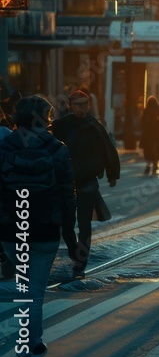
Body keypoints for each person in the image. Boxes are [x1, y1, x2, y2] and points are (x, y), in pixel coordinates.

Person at [0, 96, 76, 357]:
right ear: (45, 119)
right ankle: (29, 346)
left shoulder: (4, 148)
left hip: (12, 230)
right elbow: (68, 196)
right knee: (35, 292)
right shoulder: (57, 150)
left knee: (23, 288)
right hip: (45, 230)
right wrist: (72, 237)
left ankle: (27, 347)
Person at [50, 89, 120, 277]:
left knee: (84, 223)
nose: (81, 108)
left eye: (84, 105)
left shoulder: (93, 125)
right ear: (71, 106)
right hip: (65, 182)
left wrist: (112, 174)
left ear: (88, 106)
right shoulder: (61, 125)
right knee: (67, 223)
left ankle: (81, 260)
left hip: (87, 180)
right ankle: (75, 252)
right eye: (77, 105)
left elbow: (108, 149)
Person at [139, 95, 159, 176]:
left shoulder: (146, 111)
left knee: (148, 150)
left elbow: (142, 123)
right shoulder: (158, 110)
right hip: (157, 134)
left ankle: (148, 164)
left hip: (148, 135)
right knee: (158, 150)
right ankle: (155, 163)